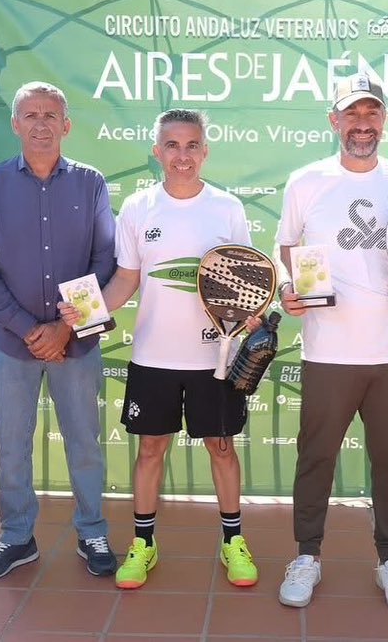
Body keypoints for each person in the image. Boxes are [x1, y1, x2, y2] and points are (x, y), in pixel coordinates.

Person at [59, 109, 259, 590]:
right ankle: (143, 544)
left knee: (222, 447)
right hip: (153, 358)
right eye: (172, 145)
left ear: (205, 151)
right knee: (151, 449)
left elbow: (250, 278)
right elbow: (127, 277)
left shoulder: (227, 208)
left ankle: (234, 542)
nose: (183, 155)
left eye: (192, 145)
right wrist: (87, 314)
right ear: (157, 151)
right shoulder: (137, 208)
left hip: (216, 359)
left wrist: (250, 310)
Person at [274, 72, 388, 614]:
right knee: (315, 458)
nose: (362, 124)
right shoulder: (306, 181)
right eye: (352, 114)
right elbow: (285, 248)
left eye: (372, 114)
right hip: (327, 353)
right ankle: (307, 556)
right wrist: (289, 288)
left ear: (384, 121)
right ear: (334, 121)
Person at [0, 81, 118, 582]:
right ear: (15, 125)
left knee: (85, 442)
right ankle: (16, 537)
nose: (41, 124)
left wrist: (64, 330)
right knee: (11, 444)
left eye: (51, 114)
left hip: (78, 342)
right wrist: (33, 329)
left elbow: (105, 259)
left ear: (66, 125)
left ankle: (92, 530)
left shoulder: (91, 184)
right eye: (30, 115)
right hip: (13, 343)